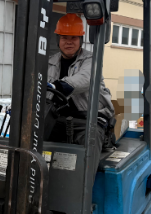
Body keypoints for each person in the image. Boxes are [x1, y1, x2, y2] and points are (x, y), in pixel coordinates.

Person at [46, 13, 115, 161]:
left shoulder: (92, 60)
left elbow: (83, 79)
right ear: (58, 40)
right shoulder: (50, 62)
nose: (69, 42)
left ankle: (87, 175)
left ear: (81, 40)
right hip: (58, 118)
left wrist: (56, 86)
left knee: (90, 138)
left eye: (74, 38)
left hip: (88, 118)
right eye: (64, 37)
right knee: (34, 134)